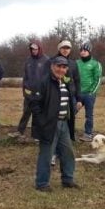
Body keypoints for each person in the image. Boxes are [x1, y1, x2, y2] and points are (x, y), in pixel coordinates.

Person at [30, 56, 80, 191]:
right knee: (46, 155)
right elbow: (34, 104)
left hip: (64, 124)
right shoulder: (44, 82)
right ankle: (42, 184)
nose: (61, 70)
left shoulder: (66, 82)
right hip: (49, 125)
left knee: (68, 153)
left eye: (64, 67)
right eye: (58, 66)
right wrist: (42, 122)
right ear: (52, 67)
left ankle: (68, 179)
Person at [9, 41, 48, 140]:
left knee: (37, 115)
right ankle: (20, 131)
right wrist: (25, 90)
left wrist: (44, 91)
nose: (34, 51)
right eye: (32, 49)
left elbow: (47, 77)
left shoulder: (46, 60)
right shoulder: (28, 60)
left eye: (35, 49)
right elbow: (25, 76)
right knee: (26, 112)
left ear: (39, 49)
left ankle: (36, 135)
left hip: (40, 93)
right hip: (29, 93)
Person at [76, 43, 102, 142]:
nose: (82, 52)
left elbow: (98, 79)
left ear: (89, 52)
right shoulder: (76, 63)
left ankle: (88, 134)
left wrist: (92, 92)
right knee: (71, 111)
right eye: (81, 50)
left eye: (85, 51)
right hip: (78, 94)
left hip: (89, 94)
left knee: (89, 115)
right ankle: (68, 132)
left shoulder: (96, 64)